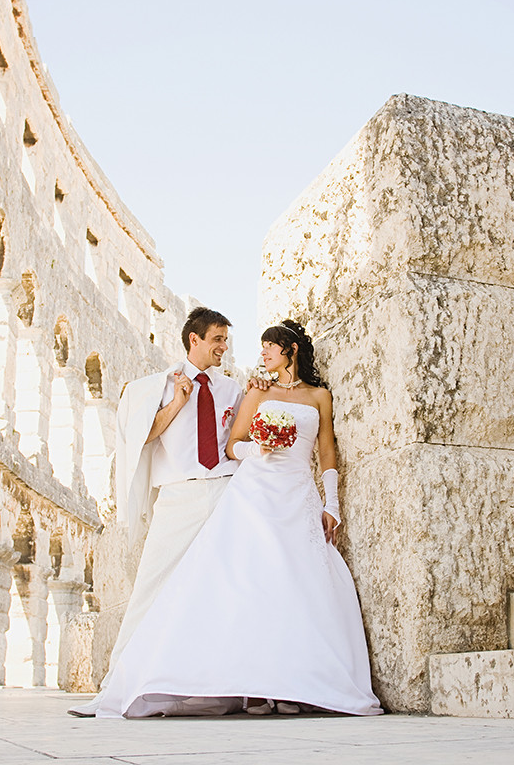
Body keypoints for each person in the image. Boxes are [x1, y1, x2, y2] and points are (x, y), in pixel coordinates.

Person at [94, 319, 382, 718]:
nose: (258, 353)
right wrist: (260, 449)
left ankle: (292, 684)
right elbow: (234, 446)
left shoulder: (311, 396)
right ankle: (134, 680)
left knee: (297, 584)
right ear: (195, 339)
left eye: (269, 347)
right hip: (240, 492)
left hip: (294, 493)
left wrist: (332, 503)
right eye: (221, 340)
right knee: (233, 584)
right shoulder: (239, 391)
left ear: (291, 351)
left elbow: (327, 450)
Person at [70, 307, 244, 717]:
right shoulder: (158, 387)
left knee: (222, 587)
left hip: (224, 492)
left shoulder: (234, 390)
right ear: (194, 340)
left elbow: (236, 438)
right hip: (178, 494)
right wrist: (179, 402)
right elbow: (140, 439)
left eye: (225, 340)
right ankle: (115, 687)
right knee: (152, 586)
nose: (223, 347)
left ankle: (223, 686)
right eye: (216, 339)